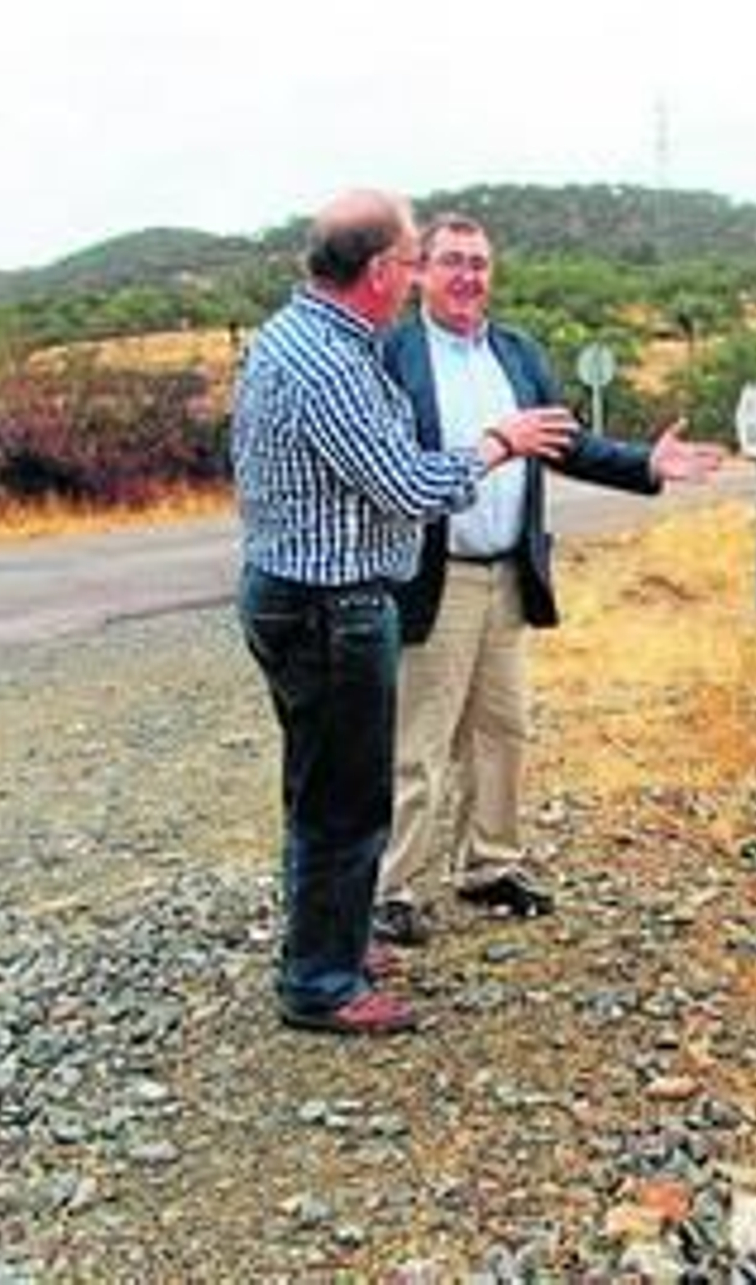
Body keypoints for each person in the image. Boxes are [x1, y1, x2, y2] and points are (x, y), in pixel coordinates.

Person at [232, 190, 573, 1035]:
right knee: (347, 801)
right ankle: (321, 984)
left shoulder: (303, 334)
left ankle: (332, 943)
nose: (428, 269)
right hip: (329, 606)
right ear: (384, 272)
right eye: (418, 256)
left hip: (305, 595)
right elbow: (410, 486)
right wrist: (499, 443)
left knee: (320, 791)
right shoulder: (333, 362)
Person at [374, 211, 725, 946]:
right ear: (419, 273)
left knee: (503, 729)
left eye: (480, 262)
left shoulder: (518, 352)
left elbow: (568, 442)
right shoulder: (392, 355)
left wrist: (645, 465)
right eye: (452, 261)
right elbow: (387, 474)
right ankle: (391, 887)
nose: (469, 275)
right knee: (418, 740)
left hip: (509, 574)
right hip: (432, 578)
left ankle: (489, 865)